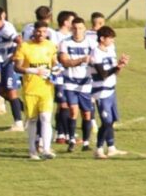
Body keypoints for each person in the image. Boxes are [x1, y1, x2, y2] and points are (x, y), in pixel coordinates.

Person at [13, 21, 59, 160]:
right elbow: (17, 67)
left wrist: (56, 70)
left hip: (46, 88)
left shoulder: (50, 46)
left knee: (46, 118)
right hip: (30, 89)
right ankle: (32, 150)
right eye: (39, 31)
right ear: (34, 31)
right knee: (32, 120)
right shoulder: (24, 46)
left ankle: (45, 149)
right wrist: (31, 70)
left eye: (44, 32)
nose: (41, 34)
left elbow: (55, 62)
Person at [90, 26, 129, 159]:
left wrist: (120, 65)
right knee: (106, 121)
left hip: (111, 90)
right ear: (102, 39)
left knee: (111, 121)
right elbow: (103, 74)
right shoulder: (95, 52)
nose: (112, 41)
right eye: (110, 38)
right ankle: (98, 148)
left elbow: (114, 72)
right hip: (100, 92)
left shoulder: (110, 50)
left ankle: (111, 148)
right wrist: (116, 66)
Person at [58, 17, 94, 152]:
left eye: (80, 28)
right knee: (73, 111)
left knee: (86, 114)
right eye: (75, 28)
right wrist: (82, 59)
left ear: (85, 28)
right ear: (71, 29)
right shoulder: (65, 43)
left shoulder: (91, 43)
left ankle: (85, 143)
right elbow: (65, 62)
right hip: (70, 82)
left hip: (86, 82)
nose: (77, 31)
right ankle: (71, 139)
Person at [53, 10, 77, 144]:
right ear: (66, 22)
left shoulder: (72, 36)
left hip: (71, 74)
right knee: (63, 104)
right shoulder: (55, 35)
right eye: (72, 21)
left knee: (63, 105)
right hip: (58, 73)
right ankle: (65, 134)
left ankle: (60, 133)